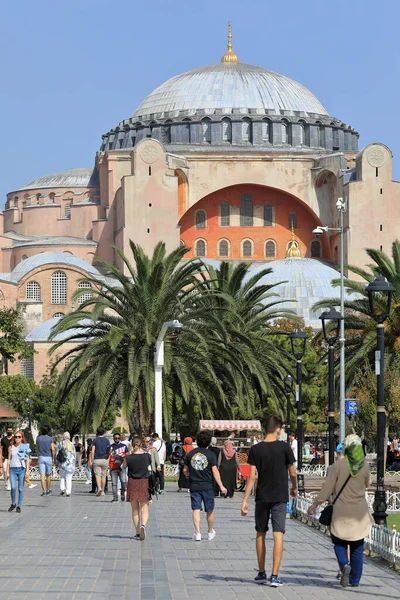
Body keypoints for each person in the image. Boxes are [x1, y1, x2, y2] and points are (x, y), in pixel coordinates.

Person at [307, 434, 373, 588]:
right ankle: (355, 580)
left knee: (338, 542)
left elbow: (327, 489)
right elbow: (368, 483)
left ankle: (344, 565)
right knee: (357, 546)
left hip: (341, 511)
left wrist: (315, 504)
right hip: (359, 513)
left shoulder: (338, 466)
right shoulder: (364, 466)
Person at [241, 415, 297, 587]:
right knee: (278, 534)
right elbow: (293, 472)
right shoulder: (284, 447)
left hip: (262, 497)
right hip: (280, 496)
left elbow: (251, 477)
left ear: (266, 429)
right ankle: (274, 576)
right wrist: (294, 488)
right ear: (278, 428)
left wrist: (244, 501)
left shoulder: (256, 449)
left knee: (260, 533)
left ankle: (261, 572)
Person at [183, 429, 227, 542]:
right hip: (208, 486)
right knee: (209, 510)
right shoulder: (211, 455)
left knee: (196, 509)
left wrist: (189, 476)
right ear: (208, 442)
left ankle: (197, 533)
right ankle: (210, 531)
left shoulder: (191, 454)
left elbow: (185, 470)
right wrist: (221, 486)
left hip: (195, 485)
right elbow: (215, 471)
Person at [124, 436, 152, 541]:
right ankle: (143, 526)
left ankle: (138, 532)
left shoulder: (129, 457)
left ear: (132, 444)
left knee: (135, 509)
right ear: (142, 444)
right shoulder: (147, 456)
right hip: (144, 482)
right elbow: (150, 466)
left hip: (132, 482)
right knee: (145, 508)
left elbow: (123, 466)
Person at [6, 430, 31, 513]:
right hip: (13, 469)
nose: (17, 438)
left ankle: (19, 505)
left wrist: (27, 470)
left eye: (19, 437)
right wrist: (7, 471)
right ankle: (13, 503)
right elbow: (9, 459)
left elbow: (27, 459)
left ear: (22, 438)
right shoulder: (11, 447)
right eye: (16, 436)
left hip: (21, 469)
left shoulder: (25, 447)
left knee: (20, 488)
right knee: (13, 487)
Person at [107, 432, 128, 503]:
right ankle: (115, 498)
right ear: (113, 438)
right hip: (113, 467)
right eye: (115, 438)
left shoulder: (124, 446)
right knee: (114, 483)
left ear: (120, 438)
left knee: (123, 481)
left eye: (118, 438)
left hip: (122, 467)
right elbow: (106, 457)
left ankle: (122, 493)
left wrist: (125, 462)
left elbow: (127, 455)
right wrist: (109, 453)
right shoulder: (110, 446)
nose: (117, 439)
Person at [89, 426, 110, 497]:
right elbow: (109, 451)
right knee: (104, 475)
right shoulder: (107, 440)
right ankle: (103, 491)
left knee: (97, 475)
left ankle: (99, 488)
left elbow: (93, 451)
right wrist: (108, 459)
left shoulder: (95, 440)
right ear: (104, 432)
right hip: (105, 459)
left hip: (97, 459)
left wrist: (91, 461)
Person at [36, 425, 56, 496]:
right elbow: (53, 449)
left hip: (41, 457)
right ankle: (48, 489)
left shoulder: (38, 438)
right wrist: (53, 458)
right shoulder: (50, 439)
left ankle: (43, 491)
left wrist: (38, 454)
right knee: (48, 475)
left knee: (42, 475)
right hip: (48, 457)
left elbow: (37, 448)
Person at [57, 432, 76, 497]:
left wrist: (57, 462)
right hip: (70, 465)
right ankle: (68, 492)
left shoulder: (61, 444)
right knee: (69, 478)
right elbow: (74, 455)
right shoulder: (72, 444)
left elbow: (58, 453)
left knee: (62, 477)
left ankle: (62, 489)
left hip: (62, 464)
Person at [0, 426, 14, 490]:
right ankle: (7, 483)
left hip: (12, 458)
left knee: (11, 471)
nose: (9, 432)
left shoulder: (14, 439)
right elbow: (1, 448)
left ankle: (10, 483)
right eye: (8, 431)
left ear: (12, 431)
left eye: (10, 430)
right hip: (5, 457)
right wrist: (1, 455)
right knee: (5, 471)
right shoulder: (3, 439)